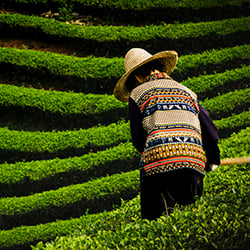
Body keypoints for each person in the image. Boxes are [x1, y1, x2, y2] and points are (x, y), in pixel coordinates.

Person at [113, 48, 220, 220]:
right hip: (193, 162)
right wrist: (213, 160)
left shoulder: (138, 92)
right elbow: (210, 132)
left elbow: (138, 139)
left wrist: (155, 152)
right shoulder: (188, 92)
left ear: (137, 77)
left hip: (159, 164)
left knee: (154, 221)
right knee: (190, 220)